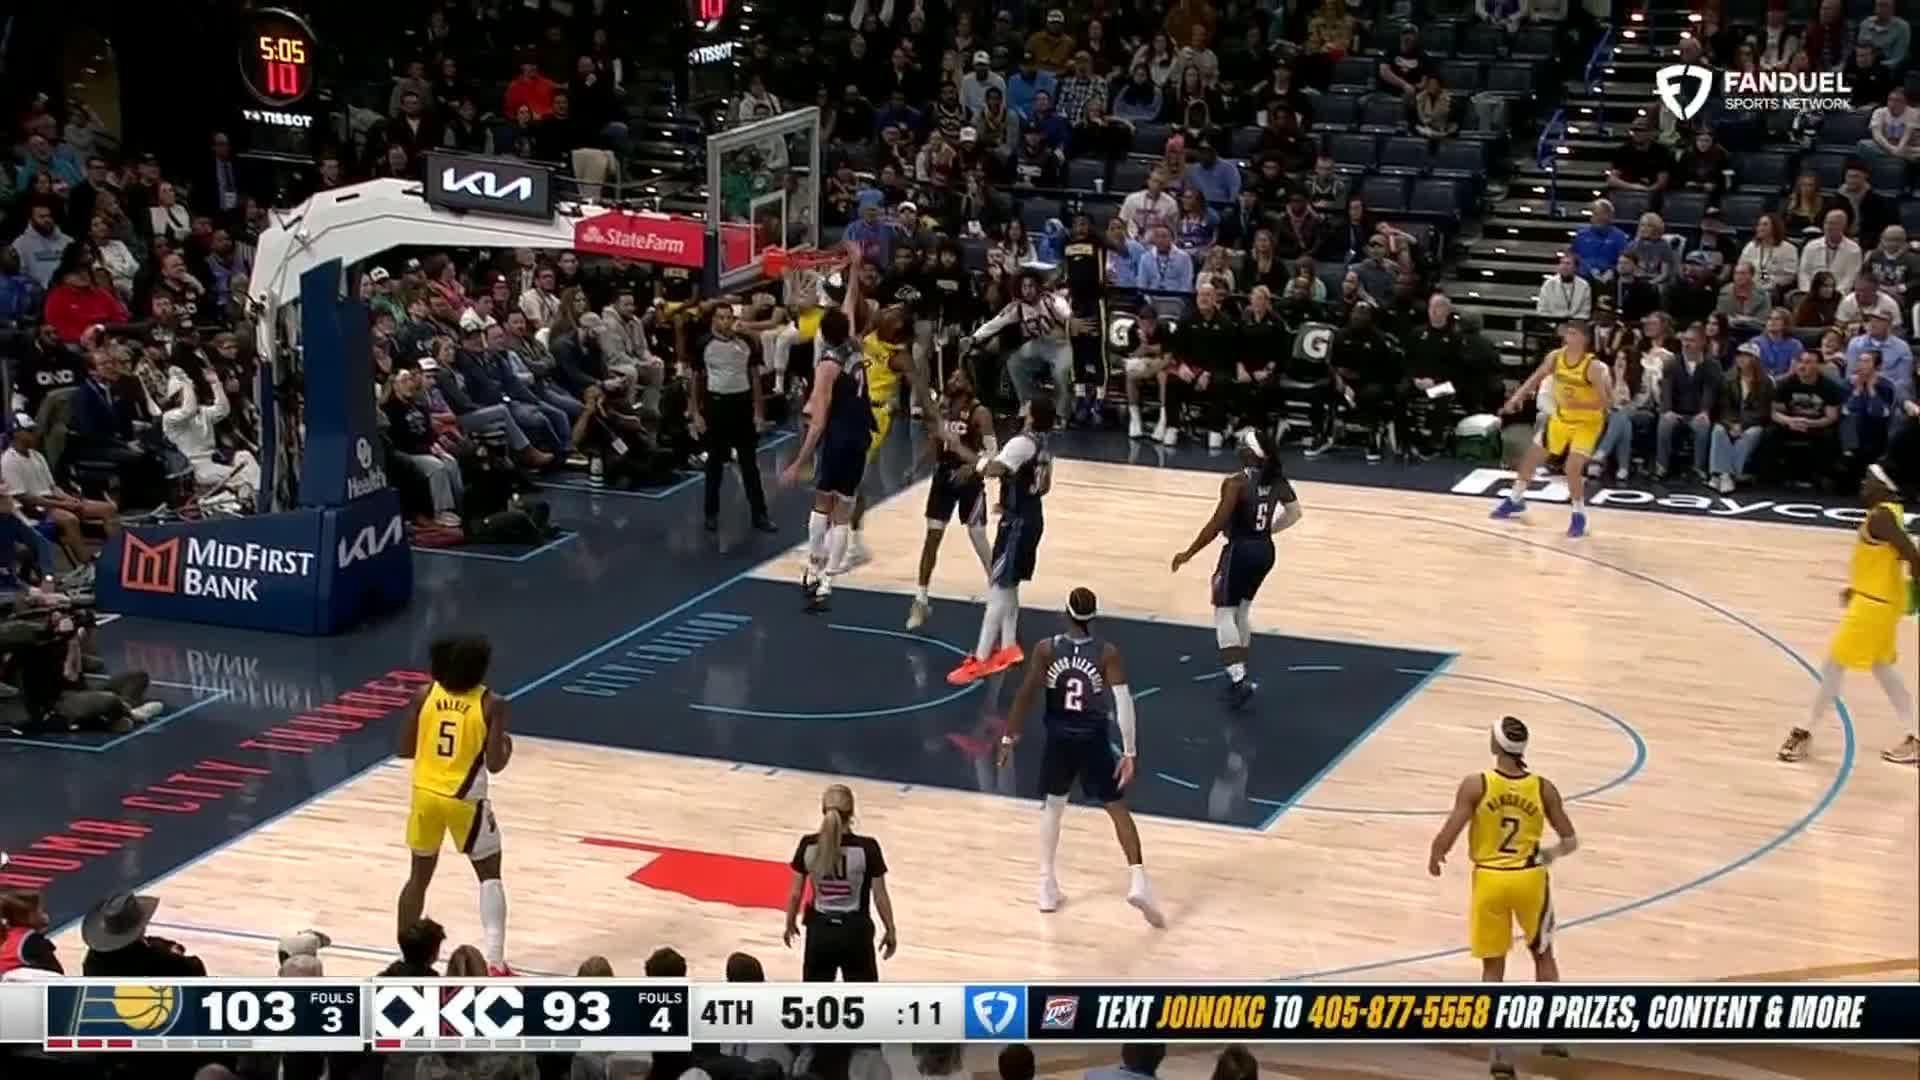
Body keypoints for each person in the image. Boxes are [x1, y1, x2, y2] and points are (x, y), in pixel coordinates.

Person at [997, 586, 1164, 926]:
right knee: (1116, 808)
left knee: (1053, 807)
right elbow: (1123, 703)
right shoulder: (1106, 652)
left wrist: (1008, 735)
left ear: (1066, 614)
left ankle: (1046, 886)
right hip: (1093, 740)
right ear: (1094, 616)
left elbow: (1026, 694)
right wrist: (1130, 751)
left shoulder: (1047, 649)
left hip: (1059, 739)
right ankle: (1138, 880)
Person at [1427, 716, 1577, 1079]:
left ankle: (1500, 1055)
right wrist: (1547, 856)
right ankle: (1553, 1035)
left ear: (1496, 745)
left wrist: (1436, 853)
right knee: (1543, 956)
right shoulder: (1543, 787)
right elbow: (1570, 840)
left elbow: (1451, 830)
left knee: (1493, 970)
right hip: (1529, 879)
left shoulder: (1476, 784)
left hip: (1490, 879)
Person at [1778, 464, 1920, 766]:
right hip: (1878, 602)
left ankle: (1804, 731)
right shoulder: (1890, 512)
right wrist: (1858, 587)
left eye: (1868, 480)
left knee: (1833, 665)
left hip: (1872, 607)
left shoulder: (1882, 517)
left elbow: (1913, 555)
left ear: (1884, 486)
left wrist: (1917, 590)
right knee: (1883, 670)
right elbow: (1886, 560)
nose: (1862, 485)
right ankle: (1915, 736)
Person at [395, 635, 514, 976]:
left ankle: (408, 961)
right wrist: (506, 745)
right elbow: (495, 764)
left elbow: (404, 749)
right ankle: (495, 963)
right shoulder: (491, 703)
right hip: (464, 799)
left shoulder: (425, 694)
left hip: (425, 794)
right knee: (489, 874)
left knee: (418, 878)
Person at [1168, 428, 1304, 709]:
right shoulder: (1277, 480)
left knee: (1223, 613)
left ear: (1252, 454)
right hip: (1265, 551)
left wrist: (1189, 552)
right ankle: (1239, 673)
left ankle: (1238, 678)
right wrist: (1268, 531)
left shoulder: (1235, 484)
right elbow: (1295, 513)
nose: (1238, 447)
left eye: (1243, 444)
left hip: (1240, 551)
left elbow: (1217, 524)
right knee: (1242, 611)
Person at [781, 244, 872, 613]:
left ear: (822, 331)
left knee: (823, 503)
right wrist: (855, 268)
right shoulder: (855, 344)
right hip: (861, 434)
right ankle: (829, 580)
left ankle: (812, 568)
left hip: (838, 437)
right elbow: (849, 303)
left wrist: (799, 461)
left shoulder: (827, 366)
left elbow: (818, 421)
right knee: (844, 508)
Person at [948, 397, 1057, 686]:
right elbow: (1044, 486)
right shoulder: (1043, 444)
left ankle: (981, 658)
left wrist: (966, 454)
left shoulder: (1022, 443)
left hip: (1017, 524)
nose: (1023, 405)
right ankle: (1009, 646)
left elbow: (994, 468)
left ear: (1032, 415)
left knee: (997, 588)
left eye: (1027, 404)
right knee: (1009, 584)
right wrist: (1011, 497)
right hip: (1030, 516)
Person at [1491, 322, 1613, 538]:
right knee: (1530, 459)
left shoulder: (1593, 367)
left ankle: (1579, 515)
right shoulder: (1556, 357)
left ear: (1584, 339)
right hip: (1562, 419)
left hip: (1587, 423)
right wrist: (1516, 398)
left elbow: (1606, 403)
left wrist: (1579, 404)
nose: (1568, 335)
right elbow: (1535, 378)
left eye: (1573, 333)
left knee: (1572, 468)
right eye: (1568, 332)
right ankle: (1515, 499)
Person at [907, 366, 996, 631]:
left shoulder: (980, 412)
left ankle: (998, 591)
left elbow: (993, 451)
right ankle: (921, 600)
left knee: (978, 537)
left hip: (970, 480)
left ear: (969, 384)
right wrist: (916, 466)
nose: (953, 380)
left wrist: (972, 468)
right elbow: (935, 440)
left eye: (959, 377)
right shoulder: (942, 408)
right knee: (932, 538)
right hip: (943, 478)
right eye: (952, 376)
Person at [782, 784, 897, 981]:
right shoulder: (867, 848)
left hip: (820, 932)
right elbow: (880, 897)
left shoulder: (808, 845)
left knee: (815, 995)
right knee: (862, 995)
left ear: (823, 810)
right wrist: (890, 929)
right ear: (851, 813)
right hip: (855, 933)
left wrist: (790, 923)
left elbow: (795, 894)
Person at [685, 300, 776, 535]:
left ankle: (760, 514)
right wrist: (695, 413)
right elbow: (695, 379)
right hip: (716, 406)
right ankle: (711, 514)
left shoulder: (747, 342)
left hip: (742, 405)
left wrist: (758, 412)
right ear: (714, 320)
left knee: (749, 464)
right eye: (721, 318)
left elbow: (755, 378)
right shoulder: (703, 344)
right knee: (714, 463)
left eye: (729, 317)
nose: (726, 322)